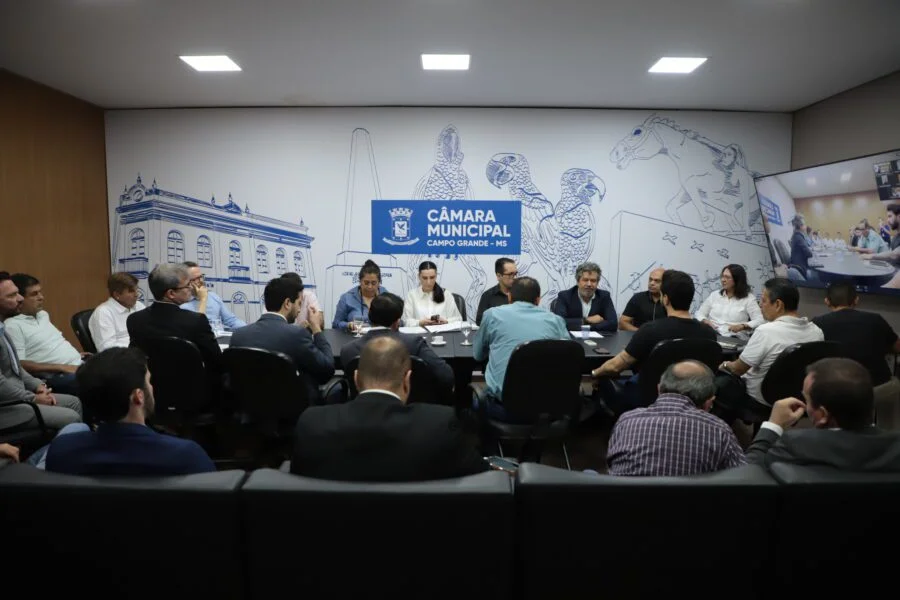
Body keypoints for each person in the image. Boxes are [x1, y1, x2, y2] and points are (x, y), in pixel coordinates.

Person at [291, 336, 487, 482]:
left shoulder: (311, 423)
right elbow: (481, 478)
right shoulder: (442, 424)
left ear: (356, 379)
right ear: (407, 381)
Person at [44, 347, 216, 475]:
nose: (152, 387)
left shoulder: (62, 451)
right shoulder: (187, 456)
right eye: (148, 381)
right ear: (138, 397)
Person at [592, 270, 717, 414]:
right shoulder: (709, 333)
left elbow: (615, 367)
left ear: (666, 299)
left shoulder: (650, 330)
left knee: (604, 379)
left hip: (650, 399)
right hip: (695, 400)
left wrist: (595, 373)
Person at [745, 358, 900, 471]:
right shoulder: (895, 447)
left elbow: (748, 474)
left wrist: (773, 425)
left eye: (806, 399)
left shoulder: (795, 445)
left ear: (823, 414)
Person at [606, 360, 745, 476]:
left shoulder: (626, 420)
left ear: (658, 389)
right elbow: (741, 478)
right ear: (709, 402)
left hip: (624, 500)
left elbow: (612, 465)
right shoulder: (719, 430)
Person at [472, 276, 569, 421]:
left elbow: (478, 355)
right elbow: (566, 360)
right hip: (547, 408)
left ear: (509, 297)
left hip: (504, 408)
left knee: (476, 401)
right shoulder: (556, 321)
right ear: (538, 300)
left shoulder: (492, 315)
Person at [719, 277, 823, 409]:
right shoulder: (816, 332)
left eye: (763, 300)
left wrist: (724, 364)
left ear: (778, 304)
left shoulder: (766, 331)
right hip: (797, 399)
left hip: (759, 399)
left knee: (717, 383)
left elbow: (738, 369)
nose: (760, 305)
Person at [230, 277, 335, 404]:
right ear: (287, 303)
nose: (299, 310)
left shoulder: (238, 335)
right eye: (299, 304)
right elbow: (327, 370)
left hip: (248, 406)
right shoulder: (297, 335)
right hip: (292, 409)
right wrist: (316, 328)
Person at [0, 271, 82, 432]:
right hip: (7, 407)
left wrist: (38, 385)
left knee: (74, 402)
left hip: (19, 397)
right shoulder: (10, 326)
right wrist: (33, 398)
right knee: (71, 416)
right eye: (12, 295)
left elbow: (16, 368)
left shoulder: (2, 328)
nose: (20, 299)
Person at [126, 264, 223, 400]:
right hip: (193, 394)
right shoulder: (195, 321)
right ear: (171, 293)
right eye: (187, 285)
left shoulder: (134, 320)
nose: (191, 288)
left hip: (152, 393)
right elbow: (215, 361)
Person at [340, 292, 454, 391]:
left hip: (363, 408)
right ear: (397, 322)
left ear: (369, 314)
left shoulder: (348, 350)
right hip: (408, 407)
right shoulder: (414, 344)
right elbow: (446, 376)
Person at [5, 273, 87, 395]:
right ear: (20, 298)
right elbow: (20, 364)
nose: (41, 297)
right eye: (34, 294)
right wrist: (61, 366)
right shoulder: (12, 325)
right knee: (104, 381)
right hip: (56, 375)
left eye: (40, 292)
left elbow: (51, 344)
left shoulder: (42, 314)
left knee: (114, 365)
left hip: (77, 364)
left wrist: (73, 355)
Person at [694, 264, 764, 335]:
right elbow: (699, 313)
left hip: (735, 336)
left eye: (727, 277)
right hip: (713, 334)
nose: (723, 280)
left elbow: (760, 320)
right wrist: (705, 320)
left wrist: (742, 326)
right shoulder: (715, 295)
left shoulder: (749, 298)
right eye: (722, 276)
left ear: (737, 279)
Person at [552, 262, 617, 334]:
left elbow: (613, 323)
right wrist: (586, 320)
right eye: (585, 280)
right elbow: (559, 322)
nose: (589, 284)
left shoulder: (604, 296)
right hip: (571, 338)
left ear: (597, 282)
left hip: (598, 339)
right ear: (578, 281)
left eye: (593, 281)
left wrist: (588, 327)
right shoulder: (565, 296)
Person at [180, 261, 246, 331]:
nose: (201, 281)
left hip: (219, 337)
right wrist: (203, 299)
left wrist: (248, 329)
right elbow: (197, 329)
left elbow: (231, 320)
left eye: (200, 277)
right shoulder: (182, 305)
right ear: (185, 282)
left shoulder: (213, 296)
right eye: (194, 279)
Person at [88, 272, 146, 351]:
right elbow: (107, 348)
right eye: (131, 291)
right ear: (117, 295)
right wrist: (136, 348)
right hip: (124, 356)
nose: (137, 294)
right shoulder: (103, 313)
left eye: (136, 289)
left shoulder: (138, 305)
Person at [402, 261, 462, 327]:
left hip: (443, 332)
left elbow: (458, 319)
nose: (428, 282)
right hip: (420, 333)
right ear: (419, 276)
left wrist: (446, 321)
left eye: (432, 277)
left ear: (436, 276)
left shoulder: (446, 294)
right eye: (425, 278)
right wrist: (419, 323)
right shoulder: (411, 295)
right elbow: (405, 322)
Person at [333, 260, 387, 331]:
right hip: (355, 336)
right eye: (366, 282)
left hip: (381, 336)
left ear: (379, 282)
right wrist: (348, 325)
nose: (370, 286)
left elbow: (398, 322)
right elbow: (336, 324)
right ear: (360, 281)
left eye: (373, 283)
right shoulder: (347, 298)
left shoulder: (386, 296)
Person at [475, 258, 516, 325]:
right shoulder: (488, 296)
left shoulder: (522, 293)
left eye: (515, 274)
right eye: (510, 274)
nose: (514, 277)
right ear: (499, 276)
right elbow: (480, 322)